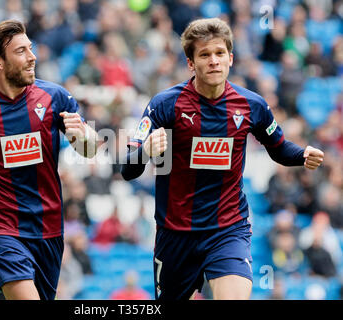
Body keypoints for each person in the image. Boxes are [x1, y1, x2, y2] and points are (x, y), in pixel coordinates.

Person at [121, 17, 324, 300]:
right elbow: (127, 168)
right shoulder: (164, 105)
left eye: (219, 54)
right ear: (191, 63)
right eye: (204, 55)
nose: (213, 61)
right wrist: (145, 151)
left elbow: (278, 148)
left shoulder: (251, 105)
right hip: (175, 234)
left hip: (227, 229)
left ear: (230, 58)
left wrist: (302, 154)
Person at [0, 20, 98, 300]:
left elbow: (89, 150)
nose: (32, 56)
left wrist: (84, 135)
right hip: (1, 225)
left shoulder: (55, 97)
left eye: (31, 48)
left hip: (49, 227)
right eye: (21, 51)